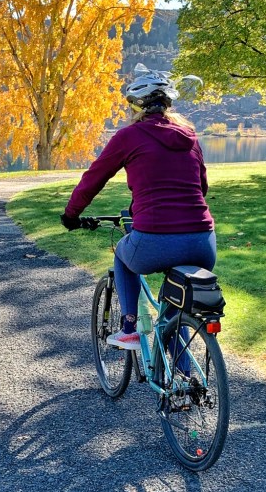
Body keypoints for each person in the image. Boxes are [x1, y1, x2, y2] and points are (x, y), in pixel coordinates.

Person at [61, 68, 215, 350]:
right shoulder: (190, 137)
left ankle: (129, 329)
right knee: (175, 306)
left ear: (136, 106)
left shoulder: (129, 136)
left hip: (155, 240)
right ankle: (183, 373)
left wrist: (71, 215)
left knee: (122, 253)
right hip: (203, 242)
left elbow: (94, 179)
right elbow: (201, 187)